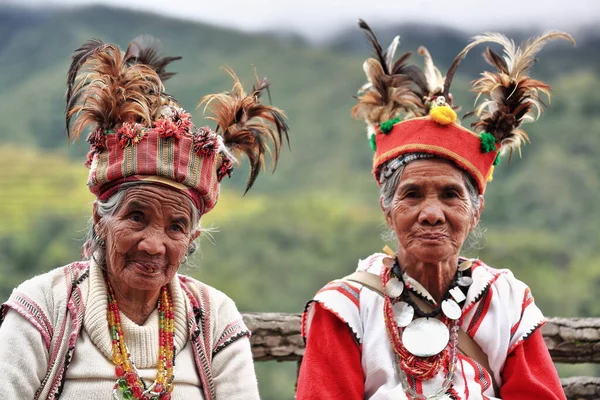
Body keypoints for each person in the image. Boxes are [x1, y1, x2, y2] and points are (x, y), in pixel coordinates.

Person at [297, 21, 574, 400]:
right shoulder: (345, 306)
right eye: (411, 195)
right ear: (387, 209)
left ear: (476, 212)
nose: (432, 213)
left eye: (450, 195)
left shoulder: (504, 299)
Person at [0, 36, 289, 400]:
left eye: (176, 226)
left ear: (192, 240)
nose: (154, 245)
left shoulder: (215, 318)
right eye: (136, 217)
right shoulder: (44, 307)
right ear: (100, 220)